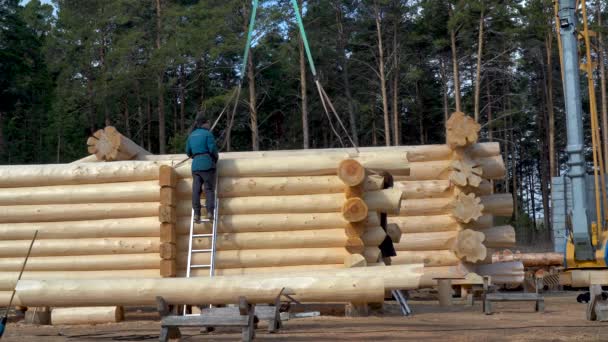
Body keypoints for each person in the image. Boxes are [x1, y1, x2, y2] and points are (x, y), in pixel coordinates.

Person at [186, 114, 219, 223]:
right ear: (204, 123)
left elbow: (188, 152)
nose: (209, 125)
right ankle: (210, 212)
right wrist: (215, 159)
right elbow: (212, 149)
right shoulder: (208, 134)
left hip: (195, 166)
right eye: (208, 123)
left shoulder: (191, 136)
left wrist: (195, 154)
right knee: (209, 189)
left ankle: (196, 214)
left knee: (196, 190)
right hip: (207, 164)